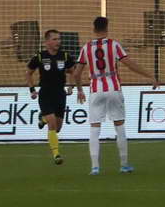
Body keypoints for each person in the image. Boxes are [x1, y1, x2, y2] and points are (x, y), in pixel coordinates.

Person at [78, 15, 134, 175]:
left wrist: (80, 89)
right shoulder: (114, 45)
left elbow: (76, 73)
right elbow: (129, 64)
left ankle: (95, 167)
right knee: (120, 126)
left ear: (93, 29)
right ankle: (124, 165)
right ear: (107, 28)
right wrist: (149, 76)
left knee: (95, 128)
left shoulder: (86, 47)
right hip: (113, 87)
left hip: (96, 89)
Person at [27, 28, 74, 165]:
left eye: (59, 39)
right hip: (46, 93)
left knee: (58, 128)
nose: (58, 42)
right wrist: (32, 89)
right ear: (47, 42)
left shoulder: (65, 56)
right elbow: (28, 73)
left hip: (60, 94)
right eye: (54, 39)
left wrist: (71, 86)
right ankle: (56, 154)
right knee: (52, 125)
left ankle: (42, 118)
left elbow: (72, 72)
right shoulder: (40, 57)